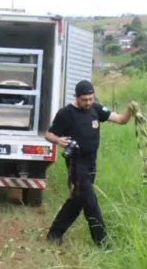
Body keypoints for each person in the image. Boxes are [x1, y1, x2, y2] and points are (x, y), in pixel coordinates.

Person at [44, 80, 136, 247]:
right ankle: (102, 243)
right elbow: (48, 134)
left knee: (77, 201)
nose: (88, 103)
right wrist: (58, 140)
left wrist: (130, 110)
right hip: (75, 163)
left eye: (91, 99)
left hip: (91, 162)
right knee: (90, 202)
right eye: (84, 100)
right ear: (76, 97)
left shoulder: (96, 109)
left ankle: (54, 234)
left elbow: (122, 120)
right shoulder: (66, 113)